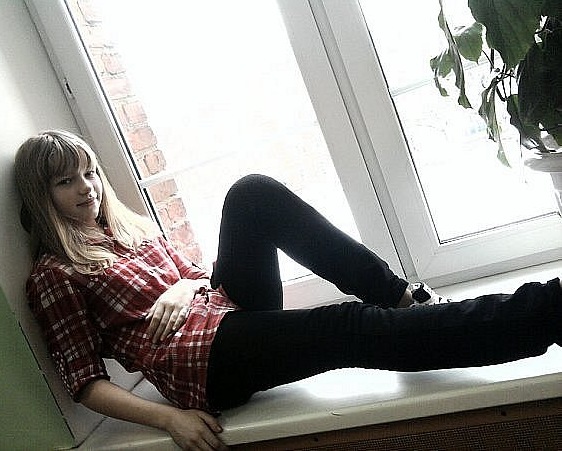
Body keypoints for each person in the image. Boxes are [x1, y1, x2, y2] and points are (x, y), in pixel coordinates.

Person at [14, 130, 561, 450]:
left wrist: (183, 287)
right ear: (42, 196)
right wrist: (169, 419)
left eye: (89, 173)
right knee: (349, 328)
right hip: (201, 363)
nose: (86, 188)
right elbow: (84, 383)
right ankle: (549, 310)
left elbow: (196, 276)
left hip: (221, 311)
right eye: (66, 181)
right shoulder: (53, 274)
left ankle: (403, 296)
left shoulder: (124, 229)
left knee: (251, 193)